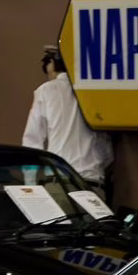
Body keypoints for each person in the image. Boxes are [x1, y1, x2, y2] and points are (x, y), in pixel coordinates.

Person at [22, 45, 113, 192]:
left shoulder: (46, 91)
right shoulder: (96, 93)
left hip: (59, 182)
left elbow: (32, 141)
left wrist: (30, 186)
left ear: (53, 64)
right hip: (93, 183)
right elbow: (107, 151)